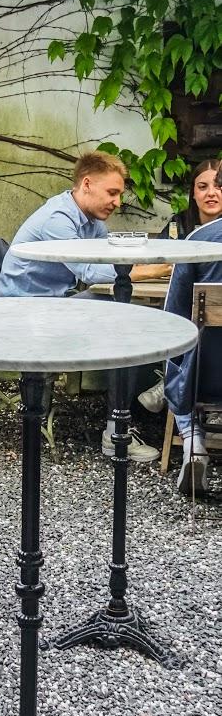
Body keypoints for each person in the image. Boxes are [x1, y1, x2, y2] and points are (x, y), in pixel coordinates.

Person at [0, 150, 170, 461]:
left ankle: (138, 409)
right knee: (128, 322)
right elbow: (90, 271)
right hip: (26, 313)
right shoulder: (58, 219)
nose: (118, 202)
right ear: (87, 184)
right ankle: (117, 431)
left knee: (129, 318)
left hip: (54, 304)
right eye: (113, 192)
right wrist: (154, 269)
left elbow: (107, 261)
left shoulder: (91, 222)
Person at [139, 158, 222, 417]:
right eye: (202, 186)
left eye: (218, 186)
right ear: (193, 194)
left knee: (180, 320)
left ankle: (171, 384)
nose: (211, 192)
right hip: (192, 310)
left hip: (206, 332)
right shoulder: (179, 226)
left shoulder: (205, 237)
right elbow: (156, 260)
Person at [158, 161, 222, 496]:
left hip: (206, 377)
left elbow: (173, 313)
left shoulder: (199, 240)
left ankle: (193, 442)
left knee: (175, 354)